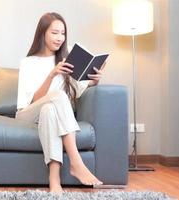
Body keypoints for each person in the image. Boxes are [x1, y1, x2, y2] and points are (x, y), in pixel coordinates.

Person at [15, 12, 106, 194]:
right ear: (43, 34)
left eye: (63, 33)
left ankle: (54, 179)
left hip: (51, 112)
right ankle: (76, 162)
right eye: (54, 33)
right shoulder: (28, 63)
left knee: (49, 110)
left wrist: (92, 81)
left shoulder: (67, 59)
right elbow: (32, 101)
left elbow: (77, 92)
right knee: (56, 97)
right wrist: (52, 74)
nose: (59, 38)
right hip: (27, 114)